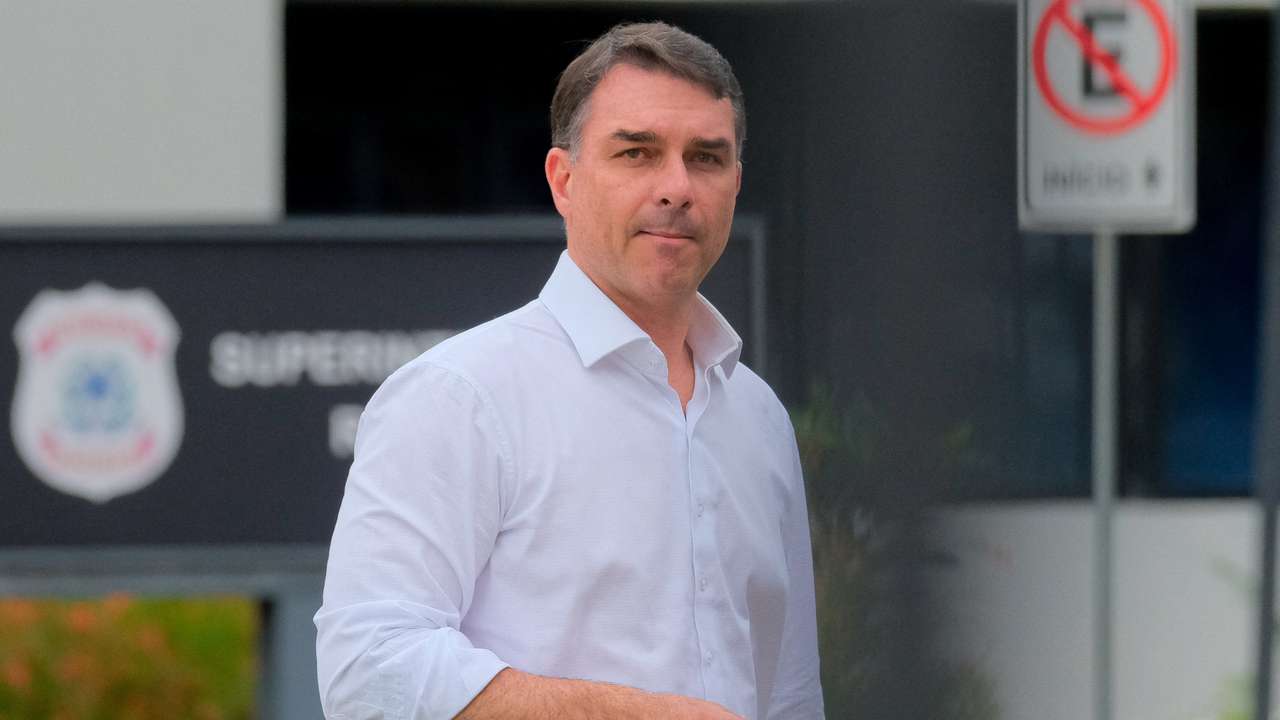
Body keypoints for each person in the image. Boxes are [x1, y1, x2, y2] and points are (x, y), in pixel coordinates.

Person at [315, 21, 824, 720]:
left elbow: (789, 696)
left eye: (706, 158)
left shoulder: (758, 417)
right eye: (637, 153)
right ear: (564, 180)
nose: (676, 186)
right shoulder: (461, 397)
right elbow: (370, 670)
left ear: (735, 183)